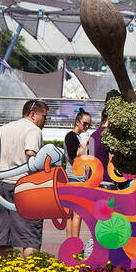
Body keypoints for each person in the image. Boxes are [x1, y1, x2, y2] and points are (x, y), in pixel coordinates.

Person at [0, 99, 48, 257]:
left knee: (3, 235)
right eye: (44, 116)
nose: (45, 120)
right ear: (33, 115)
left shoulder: (4, 129)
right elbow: (31, 155)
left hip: (2, 186)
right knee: (30, 236)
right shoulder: (33, 130)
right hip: (24, 187)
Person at [63, 109, 92, 254]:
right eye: (85, 124)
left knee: (73, 214)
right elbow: (74, 156)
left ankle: (71, 243)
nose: (87, 127)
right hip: (74, 178)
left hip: (78, 178)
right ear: (77, 122)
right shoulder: (71, 136)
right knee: (76, 214)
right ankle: (74, 244)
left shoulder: (76, 137)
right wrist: (85, 143)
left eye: (89, 125)